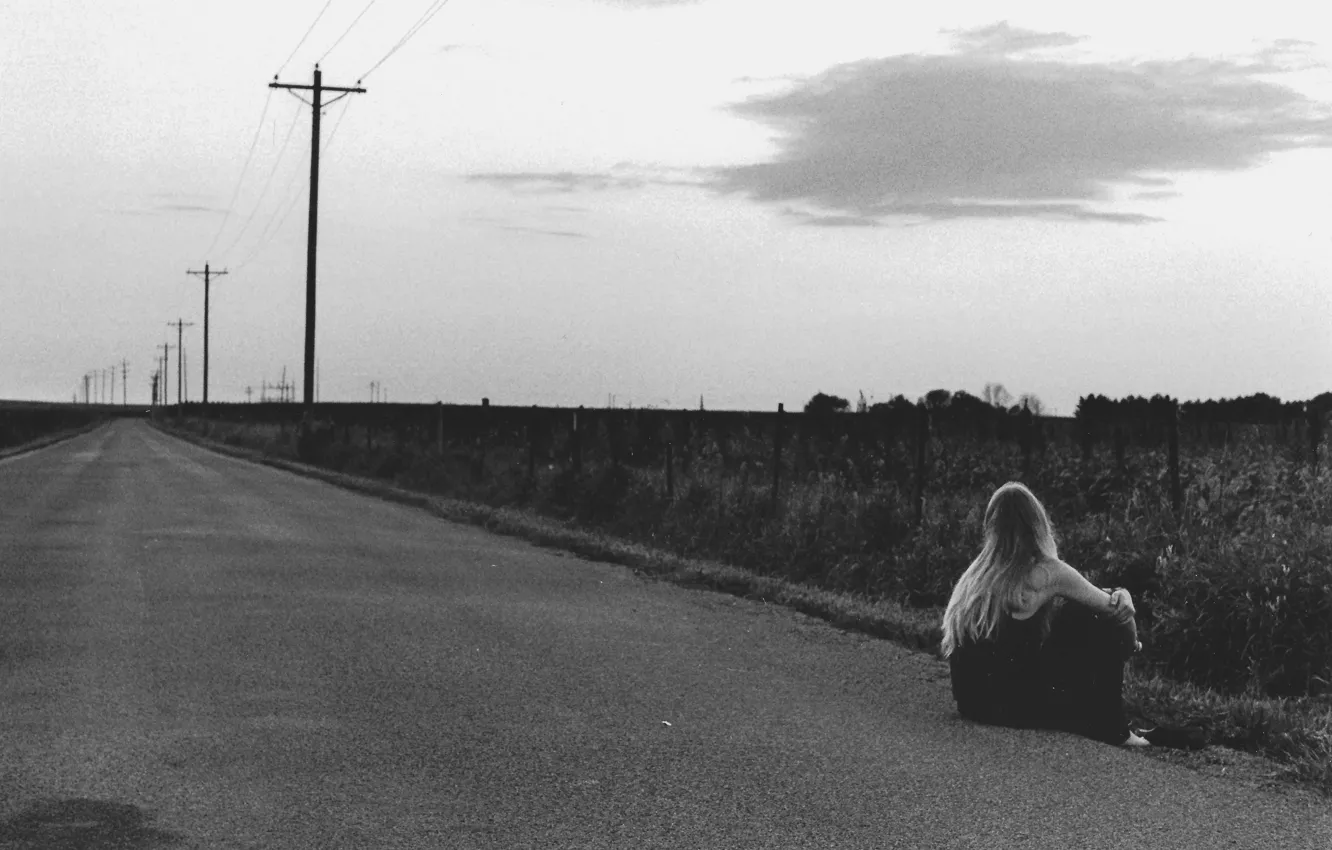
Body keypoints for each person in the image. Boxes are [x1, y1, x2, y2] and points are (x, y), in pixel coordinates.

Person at [940, 481, 1149, 747]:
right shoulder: (1047, 571)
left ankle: (1095, 717)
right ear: (1039, 524)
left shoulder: (976, 575)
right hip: (1013, 708)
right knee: (1093, 615)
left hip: (972, 704)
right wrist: (1130, 641)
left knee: (1076, 612)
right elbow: (1116, 611)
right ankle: (1117, 731)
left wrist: (1119, 593)